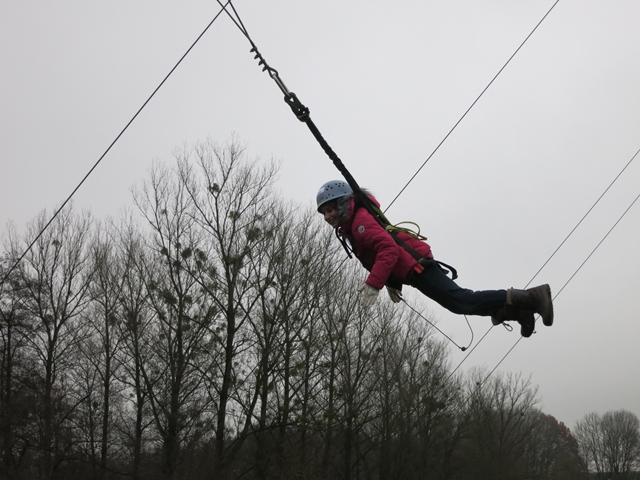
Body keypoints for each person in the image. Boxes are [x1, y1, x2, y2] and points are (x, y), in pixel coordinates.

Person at [316, 180, 553, 338]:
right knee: (459, 303)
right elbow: (380, 254)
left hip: (418, 267)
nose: (327, 216)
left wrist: (373, 284)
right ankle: (519, 310)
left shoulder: (359, 224)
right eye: (324, 213)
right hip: (413, 269)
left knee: (462, 301)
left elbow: (389, 250)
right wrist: (392, 283)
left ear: (343, 204)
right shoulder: (352, 228)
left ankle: (531, 297)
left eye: (330, 210)